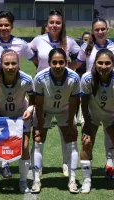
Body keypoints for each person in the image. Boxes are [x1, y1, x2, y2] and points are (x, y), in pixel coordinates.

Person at [0, 11, 37, 179]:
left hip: (15, 89)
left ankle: (13, 165)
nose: (3, 28)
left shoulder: (21, 44)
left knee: (17, 132)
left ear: (12, 26)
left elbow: (36, 60)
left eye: (6, 25)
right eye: (0, 25)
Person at [29, 9, 80, 177]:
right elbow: (31, 56)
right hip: (43, 89)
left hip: (63, 90)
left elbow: (81, 57)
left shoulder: (70, 42)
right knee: (38, 131)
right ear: (47, 24)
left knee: (67, 132)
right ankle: (35, 167)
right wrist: (40, 68)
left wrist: (70, 68)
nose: (54, 25)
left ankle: (66, 164)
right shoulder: (38, 40)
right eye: (52, 22)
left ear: (62, 24)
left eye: (58, 22)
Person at [69, 17, 114, 179]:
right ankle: (87, 172)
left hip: (108, 96)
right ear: (92, 31)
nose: (100, 32)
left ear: (107, 30)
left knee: (110, 133)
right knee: (87, 135)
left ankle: (110, 165)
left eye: (102, 29)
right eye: (97, 29)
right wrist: (63, 70)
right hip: (90, 96)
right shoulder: (86, 46)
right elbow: (77, 65)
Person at [0, 49, 35, 194]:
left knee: (24, 147)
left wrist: (30, 109)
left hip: (20, 116)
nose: (10, 67)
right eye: (7, 63)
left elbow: (33, 97)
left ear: (18, 64)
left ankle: (23, 181)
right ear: (1, 64)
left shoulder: (26, 79)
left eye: (14, 63)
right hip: (0, 117)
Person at [32, 48, 80, 193]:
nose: (58, 66)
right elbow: (38, 104)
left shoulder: (74, 78)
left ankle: (72, 180)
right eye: (54, 62)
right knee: (38, 141)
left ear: (66, 62)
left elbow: (73, 103)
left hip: (65, 110)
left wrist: (72, 123)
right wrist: (40, 127)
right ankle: (36, 179)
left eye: (61, 62)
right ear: (49, 63)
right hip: (45, 110)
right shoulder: (40, 78)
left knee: (71, 142)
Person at [80, 49, 114, 194]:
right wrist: (87, 126)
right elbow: (84, 104)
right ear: (95, 63)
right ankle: (87, 180)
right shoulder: (87, 78)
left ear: (113, 64)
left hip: (111, 115)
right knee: (86, 142)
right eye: (100, 63)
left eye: (107, 63)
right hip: (91, 114)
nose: (104, 66)